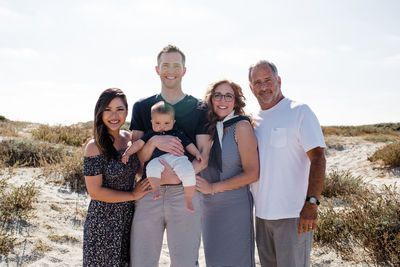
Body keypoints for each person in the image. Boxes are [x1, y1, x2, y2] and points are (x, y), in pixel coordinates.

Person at [129, 45, 210, 267]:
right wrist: (154, 141)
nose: (171, 70)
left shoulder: (200, 107)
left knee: (184, 262)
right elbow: (138, 162)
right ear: (157, 69)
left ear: (184, 70)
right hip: (147, 192)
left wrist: (178, 177)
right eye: (166, 65)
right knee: (142, 262)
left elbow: (203, 157)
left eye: (176, 65)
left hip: (184, 194)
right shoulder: (142, 107)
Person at [248, 60, 326, 267]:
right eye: (257, 82)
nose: (263, 87)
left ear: (279, 81)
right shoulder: (252, 121)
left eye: (268, 80)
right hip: (262, 216)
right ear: (251, 87)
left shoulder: (299, 111)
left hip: (294, 215)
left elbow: (318, 158)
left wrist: (312, 204)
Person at [82, 88, 151, 266]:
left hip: (129, 218)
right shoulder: (94, 147)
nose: (114, 115)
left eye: (120, 109)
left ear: (126, 112)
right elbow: (95, 192)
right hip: (103, 222)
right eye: (108, 109)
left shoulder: (130, 139)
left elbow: (139, 170)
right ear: (100, 113)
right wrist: (133, 195)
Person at [195, 79, 259, 267]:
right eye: (218, 95)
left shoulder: (242, 127)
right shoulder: (208, 128)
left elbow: (253, 173)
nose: (223, 100)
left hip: (235, 208)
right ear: (211, 99)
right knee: (214, 261)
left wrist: (213, 187)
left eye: (228, 96)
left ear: (236, 102)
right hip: (209, 209)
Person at [122, 100, 203, 212]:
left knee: (188, 170)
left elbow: (189, 144)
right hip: (158, 160)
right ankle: (156, 189)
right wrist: (128, 152)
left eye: (166, 123)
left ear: (173, 122)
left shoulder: (177, 132)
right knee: (151, 167)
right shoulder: (151, 134)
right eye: (157, 123)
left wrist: (197, 153)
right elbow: (138, 144)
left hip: (178, 159)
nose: (162, 127)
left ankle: (188, 197)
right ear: (151, 122)